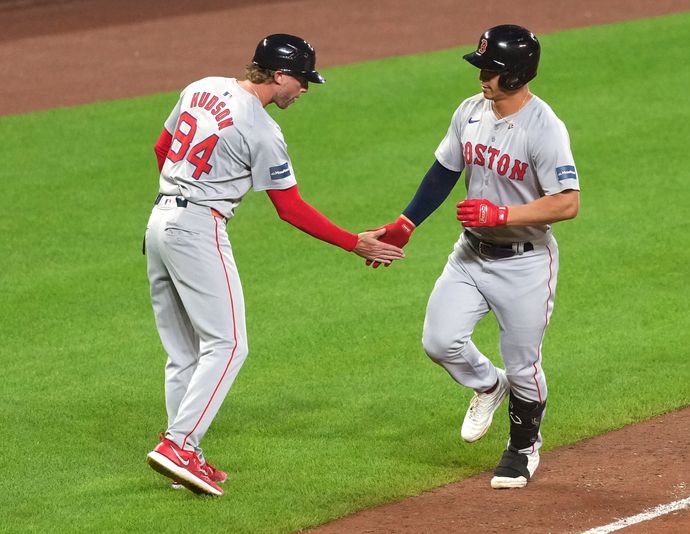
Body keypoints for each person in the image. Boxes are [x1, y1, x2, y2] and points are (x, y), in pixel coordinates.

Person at [144, 34, 405, 497]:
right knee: (228, 345)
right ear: (280, 75)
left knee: (184, 351)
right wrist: (353, 243)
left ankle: (187, 454)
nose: (304, 89)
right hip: (197, 228)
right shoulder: (261, 129)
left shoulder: (199, 87)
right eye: (302, 80)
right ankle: (179, 444)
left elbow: (162, 147)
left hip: (159, 220)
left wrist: (181, 195)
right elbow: (290, 208)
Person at [372, 24, 580, 489]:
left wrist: (501, 212)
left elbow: (567, 202)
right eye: (482, 66)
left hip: (525, 263)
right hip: (469, 255)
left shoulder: (544, 128)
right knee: (439, 341)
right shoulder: (470, 112)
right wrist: (405, 224)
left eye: (492, 69)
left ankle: (523, 448)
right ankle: (489, 384)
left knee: (525, 365)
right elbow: (444, 171)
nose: (482, 76)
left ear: (517, 74)